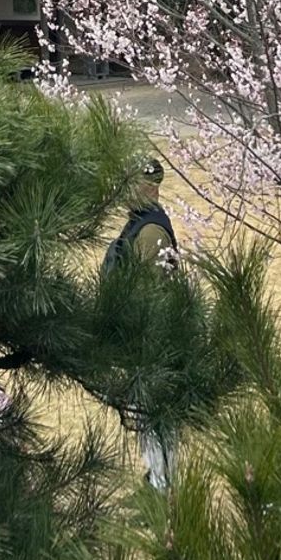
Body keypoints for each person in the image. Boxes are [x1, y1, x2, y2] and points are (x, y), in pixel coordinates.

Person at [102, 156, 179, 490]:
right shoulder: (141, 223)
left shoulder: (149, 232)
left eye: (131, 184)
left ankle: (161, 487)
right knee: (143, 414)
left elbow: (150, 293)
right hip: (141, 339)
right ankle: (155, 479)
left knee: (154, 416)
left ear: (149, 187)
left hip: (150, 341)